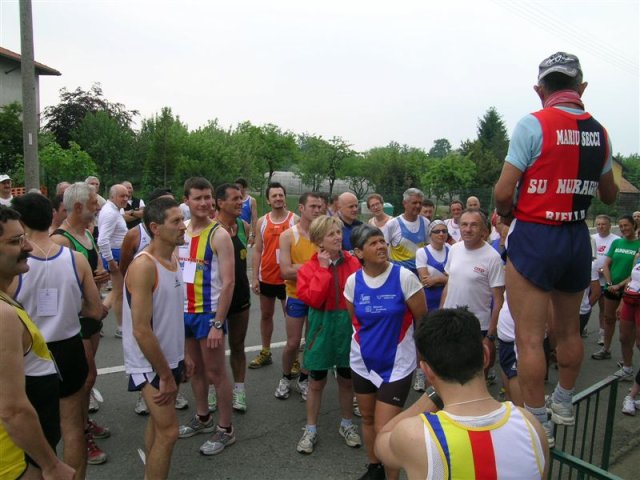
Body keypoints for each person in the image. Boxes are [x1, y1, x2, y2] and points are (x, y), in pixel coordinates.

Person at [494, 51, 618, 447]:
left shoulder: (533, 124)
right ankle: (564, 399)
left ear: (539, 89)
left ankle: (538, 417)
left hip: (535, 234)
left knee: (529, 338)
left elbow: (501, 192)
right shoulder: (601, 132)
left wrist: (507, 212)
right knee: (568, 330)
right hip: (576, 237)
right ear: (580, 88)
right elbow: (611, 196)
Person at [375, 308, 548, 480]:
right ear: (486, 356)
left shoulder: (416, 435)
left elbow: (381, 441)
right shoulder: (531, 425)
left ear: (427, 371)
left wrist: (433, 395)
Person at [11, 193, 106, 479]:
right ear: (51, 216)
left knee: (34, 435)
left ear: (22, 223)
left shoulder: (15, 266)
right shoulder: (75, 259)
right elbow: (94, 310)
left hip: (29, 356)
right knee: (73, 428)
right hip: (69, 348)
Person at [345, 224, 427, 480]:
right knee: (368, 419)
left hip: (397, 364)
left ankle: (392, 477)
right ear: (359, 252)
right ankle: (375, 468)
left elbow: (422, 321)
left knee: (385, 427)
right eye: (373, 243)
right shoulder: (352, 282)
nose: (381, 246)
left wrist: (425, 361)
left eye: (382, 241)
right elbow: (355, 322)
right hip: (362, 361)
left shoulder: (404, 277)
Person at [0, 205, 76, 480]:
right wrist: (51, 465)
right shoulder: (3, 316)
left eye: (24, 237)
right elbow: (13, 410)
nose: (29, 247)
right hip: (18, 463)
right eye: (15, 241)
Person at [122, 197, 190, 479]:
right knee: (170, 432)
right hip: (150, 365)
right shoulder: (144, 266)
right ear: (155, 227)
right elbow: (141, 329)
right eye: (175, 222)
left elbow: (172, 316)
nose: (182, 226)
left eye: (181, 220)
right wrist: (165, 374)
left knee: (158, 426)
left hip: (169, 359)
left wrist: (182, 357)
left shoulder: (172, 257)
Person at [51, 182, 112, 465]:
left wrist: (98, 279)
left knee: (90, 378)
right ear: (77, 207)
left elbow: (96, 267)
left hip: (91, 316)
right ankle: (80, 433)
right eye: (93, 203)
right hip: (76, 318)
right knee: (84, 378)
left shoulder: (87, 233)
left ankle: (84, 422)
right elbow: (56, 286)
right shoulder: (61, 240)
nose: (98, 207)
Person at [177, 177, 236, 456]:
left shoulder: (219, 234)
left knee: (216, 372)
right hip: (185, 312)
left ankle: (226, 429)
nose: (204, 203)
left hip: (208, 313)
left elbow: (229, 283)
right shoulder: (181, 231)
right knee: (195, 369)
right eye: (198, 198)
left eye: (208, 197)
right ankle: (203, 417)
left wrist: (217, 323)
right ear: (186, 200)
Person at [295, 215, 362, 455]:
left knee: (346, 380)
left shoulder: (353, 262)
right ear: (319, 240)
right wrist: (323, 270)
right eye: (332, 233)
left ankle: (346, 424)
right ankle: (311, 429)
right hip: (320, 330)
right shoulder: (309, 268)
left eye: (338, 232)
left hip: (346, 329)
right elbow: (313, 299)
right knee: (316, 382)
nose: (338, 237)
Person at [274, 192, 323, 401]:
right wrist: (315, 266)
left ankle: (304, 378)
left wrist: (300, 268)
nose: (317, 210)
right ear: (301, 208)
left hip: (318, 295)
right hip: (295, 294)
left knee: (312, 342)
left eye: (320, 207)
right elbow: (285, 271)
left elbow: (328, 269)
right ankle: (285, 377)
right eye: (313, 206)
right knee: (293, 343)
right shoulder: (288, 235)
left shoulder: (324, 235)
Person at [249, 182, 298, 369]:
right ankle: (265, 351)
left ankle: (293, 358)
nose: (278, 198)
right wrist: (254, 277)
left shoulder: (296, 220)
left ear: (285, 198)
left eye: (281, 195)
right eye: (274, 196)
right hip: (267, 277)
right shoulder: (263, 222)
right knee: (266, 315)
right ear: (268, 200)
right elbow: (258, 251)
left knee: (291, 319)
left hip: (289, 279)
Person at [214, 183, 253, 412]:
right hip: (216, 298)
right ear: (220, 202)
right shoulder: (210, 229)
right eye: (235, 199)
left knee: (238, 345)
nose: (241, 202)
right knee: (213, 349)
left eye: (241, 198)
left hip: (240, 296)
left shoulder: (243, 226)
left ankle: (239, 389)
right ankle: (212, 388)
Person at [593, 217, 640, 375]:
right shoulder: (617, 243)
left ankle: (626, 359)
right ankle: (606, 349)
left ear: (634, 225)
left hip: (629, 290)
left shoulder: (638, 244)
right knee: (608, 318)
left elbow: (635, 273)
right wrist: (610, 282)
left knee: (626, 325)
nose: (623, 228)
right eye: (620, 226)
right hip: (611, 287)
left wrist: (620, 286)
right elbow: (606, 264)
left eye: (626, 225)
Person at [97, 183, 129, 338]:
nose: (125, 199)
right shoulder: (110, 212)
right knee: (118, 292)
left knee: (119, 292)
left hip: (117, 254)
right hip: (115, 255)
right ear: (112, 196)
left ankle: (121, 326)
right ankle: (98, 318)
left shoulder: (114, 210)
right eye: (122, 196)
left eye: (127, 196)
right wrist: (110, 260)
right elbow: (103, 240)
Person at [385, 188, 430, 276]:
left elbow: (428, 248)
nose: (418, 206)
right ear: (405, 203)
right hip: (399, 274)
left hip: (419, 274)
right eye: (414, 203)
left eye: (420, 203)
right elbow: (384, 249)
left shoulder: (426, 223)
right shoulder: (392, 224)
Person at [591, 215, 620, 345]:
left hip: (605, 280)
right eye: (598, 224)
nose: (600, 227)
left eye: (603, 224)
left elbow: (617, 261)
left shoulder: (616, 240)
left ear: (609, 225)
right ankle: (582, 326)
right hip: (591, 279)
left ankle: (602, 334)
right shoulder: (591, 238)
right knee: (586, 305)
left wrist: (604, 271)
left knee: (604, 309)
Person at [416, 220, 450, 315]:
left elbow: (457, 279)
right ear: (430, 234)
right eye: (437, 231)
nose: (441, 234)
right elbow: (426, 282)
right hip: (429, 298)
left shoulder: (451, 249)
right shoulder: (422, 252)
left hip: (448, 297)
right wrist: (447, 279)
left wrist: (436, 279)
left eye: (444, 231)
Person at [234, 178, 257, 247]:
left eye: (239, 187)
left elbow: (254, 218)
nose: (237, 189)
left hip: (244, 230)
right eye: (236, 187)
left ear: (244, 188)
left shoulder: (251, 200)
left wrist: (253, 235)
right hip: (233, 229)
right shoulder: (233, 200)